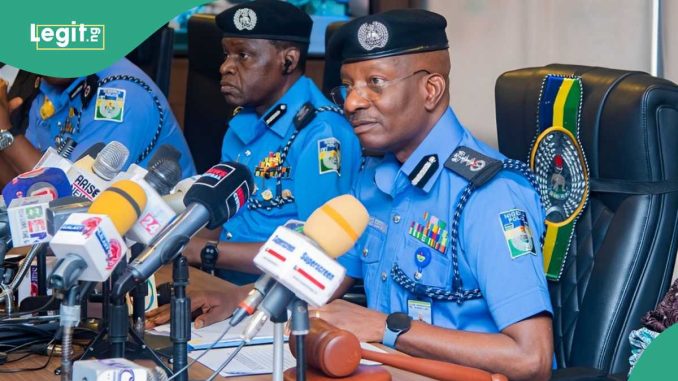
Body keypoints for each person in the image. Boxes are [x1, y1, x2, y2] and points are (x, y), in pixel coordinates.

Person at [309, 9, 553, 381]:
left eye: (375, 83)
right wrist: (252, 298)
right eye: (347, 85)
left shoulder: (489, 194)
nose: (351, 103)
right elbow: (324, 282)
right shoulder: (373, 179)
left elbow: (531, 359)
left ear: (431, 90)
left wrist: (387, 327)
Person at [146, 0, 361, 328]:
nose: (225, 67)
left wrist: (202, 251)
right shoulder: (242, 125)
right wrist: (170, 238)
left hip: (282, 304)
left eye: (243, 55)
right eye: (226, 54)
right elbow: (219, 214)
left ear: (288, 60)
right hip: (224, 287)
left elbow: (315, 255)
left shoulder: (321, 135)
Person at [0, 58, 196, 179]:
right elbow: (23, 184)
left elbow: (76, 200)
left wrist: (6, 133)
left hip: (156, 238)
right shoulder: (47, 83)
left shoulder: (119, 92)